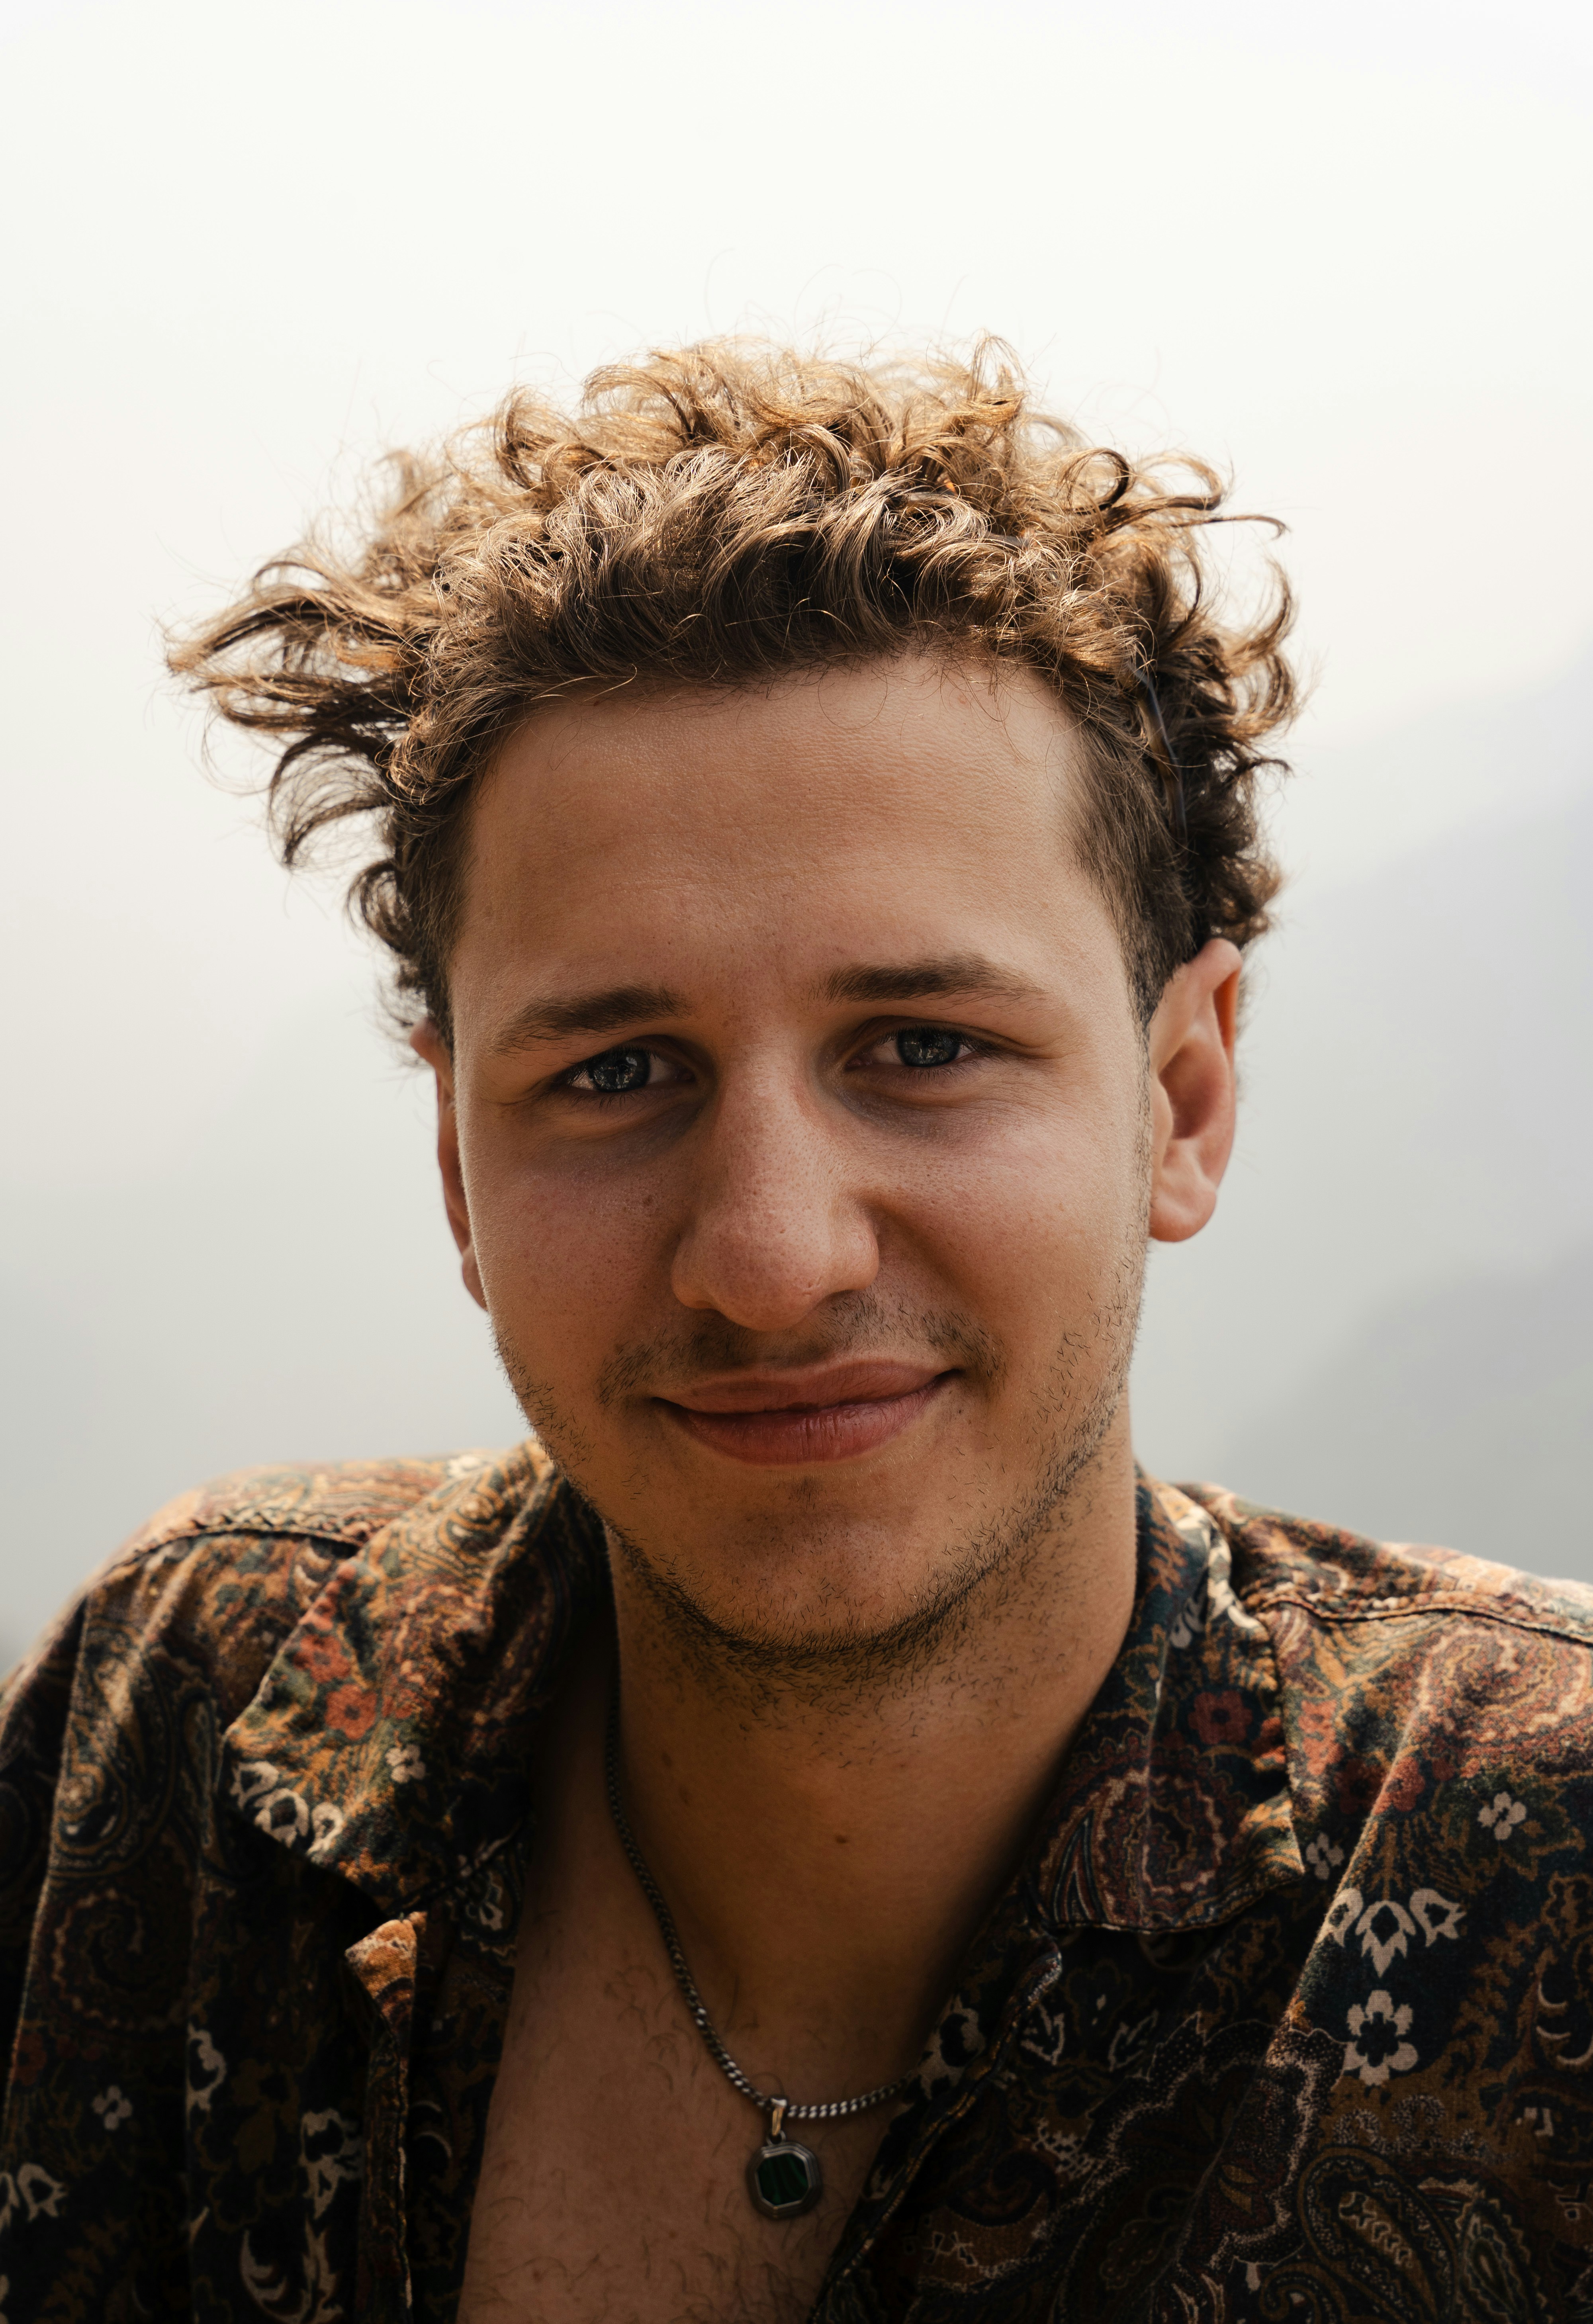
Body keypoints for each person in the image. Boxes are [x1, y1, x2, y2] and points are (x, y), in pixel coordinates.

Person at [2, 340, 1589, 2324]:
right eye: (614, 1074)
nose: (768, 1257)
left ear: (1180, 1102)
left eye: (921, 1048)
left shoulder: (1538, 1865)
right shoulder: (193, 1717)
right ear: (457, 1167)